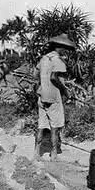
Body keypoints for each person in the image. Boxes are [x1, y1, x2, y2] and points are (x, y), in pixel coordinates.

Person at [33, 33, 76, 161]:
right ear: (59, 47)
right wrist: (65, 91)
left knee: (41, 126)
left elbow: (35, 75)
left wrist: (43, 85)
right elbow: (54, 77)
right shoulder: (58, 61)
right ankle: (53, 153)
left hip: (42, 96)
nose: (65, 50)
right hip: (54, 98)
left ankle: (36, 153)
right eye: (64, 48)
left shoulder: (43, 59)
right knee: (55, 128)